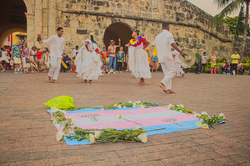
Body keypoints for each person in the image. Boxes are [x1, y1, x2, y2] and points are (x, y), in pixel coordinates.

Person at [153, 23, 186, 94]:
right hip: (167, 56)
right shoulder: (169, 34)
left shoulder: (157, 36)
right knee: (173, 71)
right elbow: (173, 44)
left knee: (167, 73)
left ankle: (168, 89)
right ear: (168, 28)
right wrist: (181, 52)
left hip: (160, 57)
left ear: (162, 28)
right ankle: (163, 83)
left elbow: (153, 44)